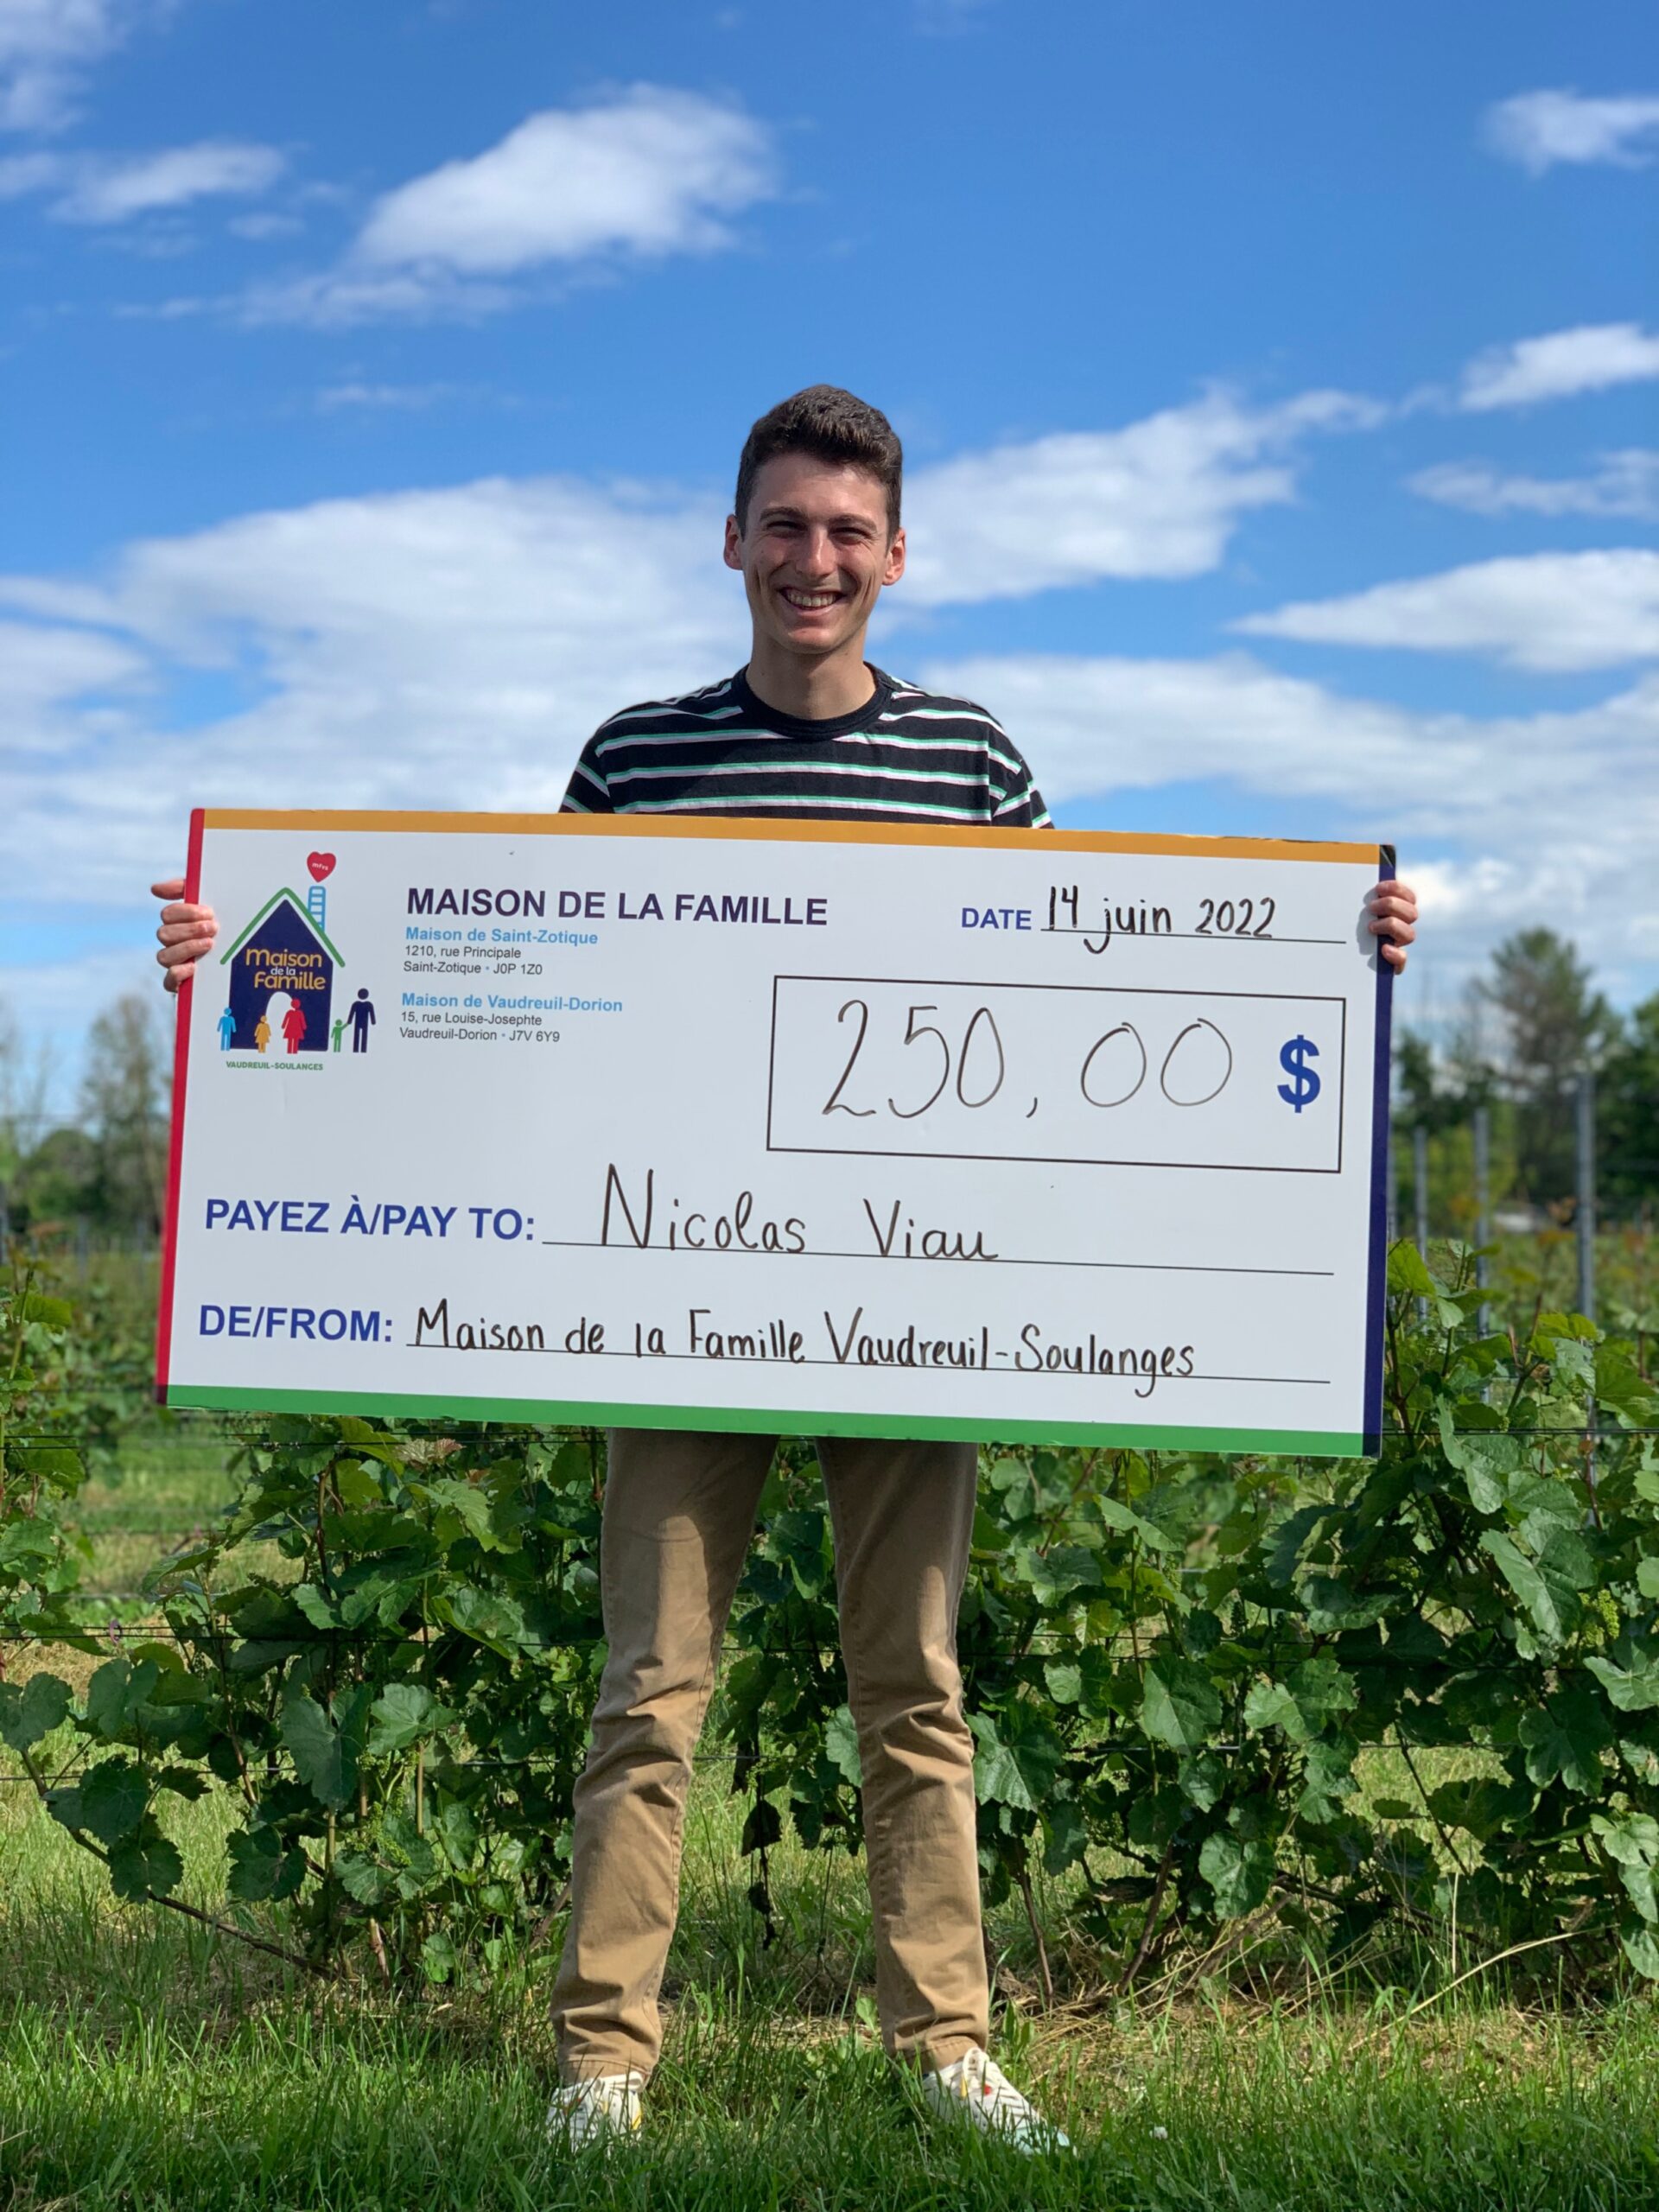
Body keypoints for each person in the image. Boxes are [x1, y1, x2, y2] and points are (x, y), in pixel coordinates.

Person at [150, 385, 1419, 2154]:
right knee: (649, 1688)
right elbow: (495, 997)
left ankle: (947, 2040)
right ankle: (604, 2057)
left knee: (915, 1686)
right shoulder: (635, 760)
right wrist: (236, 962)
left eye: (846, 530)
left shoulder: (973, 764)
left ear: (894, 555)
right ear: (730, 538)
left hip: (912, 1307)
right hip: (677, 1302)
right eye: (784, 523)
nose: (813, 557)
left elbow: (1097, 997)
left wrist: (1333, 953)